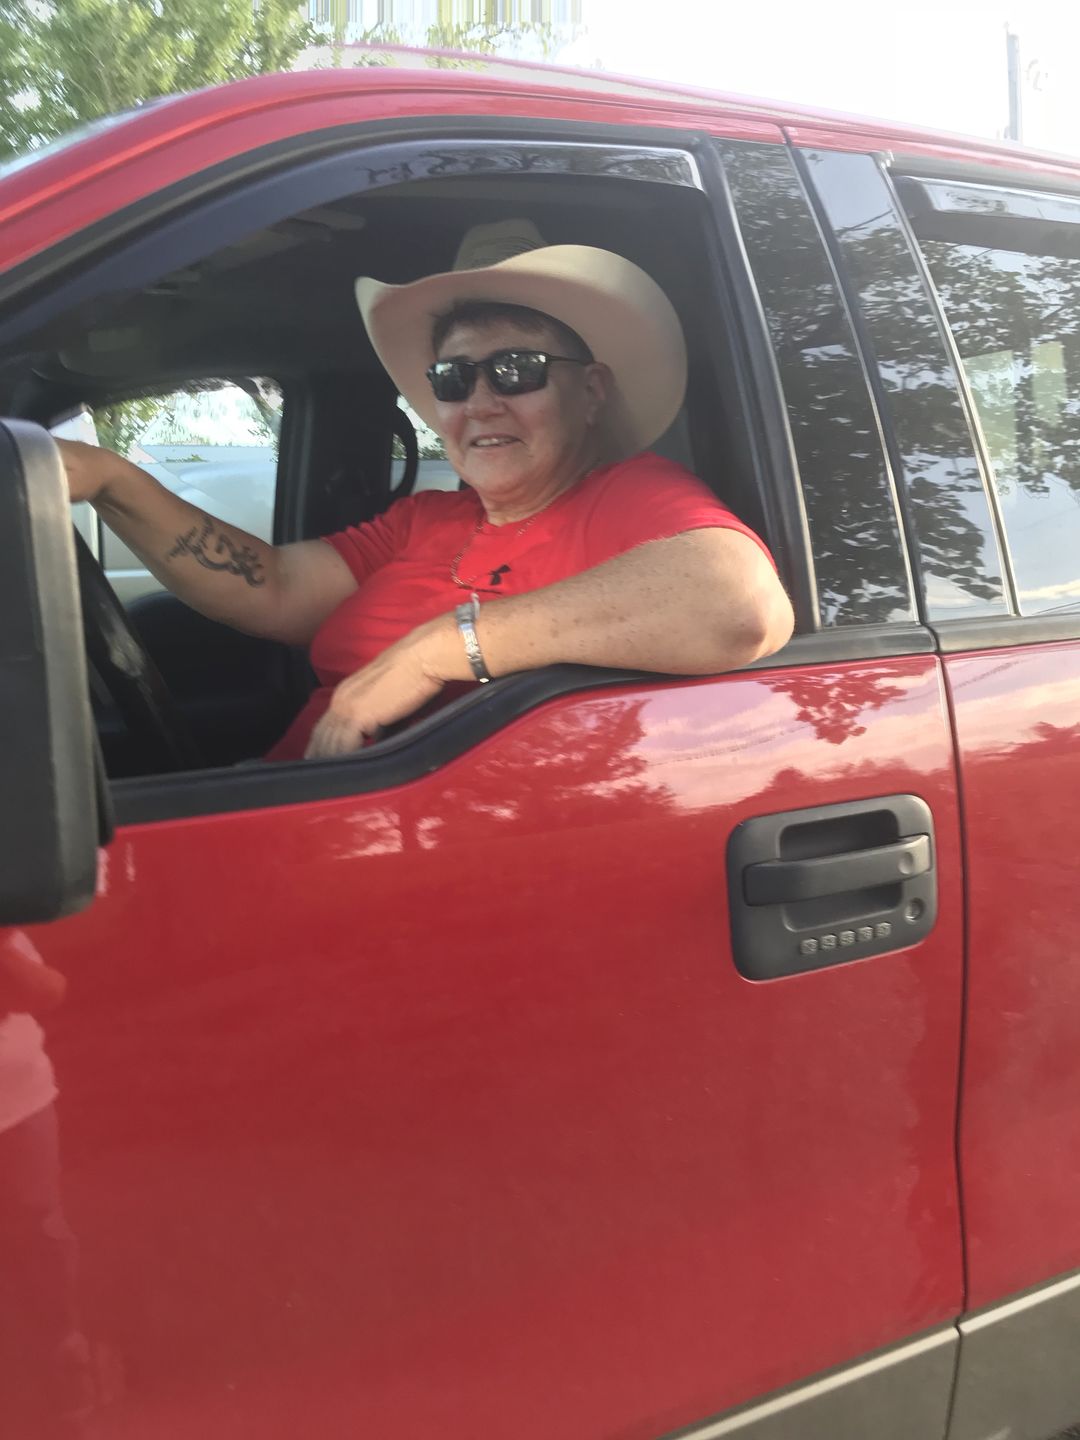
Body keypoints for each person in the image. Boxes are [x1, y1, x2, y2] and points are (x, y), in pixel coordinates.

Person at [57, 221, 793, 762]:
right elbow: (271, 586)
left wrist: (438, 649)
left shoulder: (625, 496)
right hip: (296, 808)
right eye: (453, 378)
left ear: (592, 390)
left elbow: (739, 604)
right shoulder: (425, 519)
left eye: (517, 370)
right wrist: (111, 479)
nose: (481, 402)